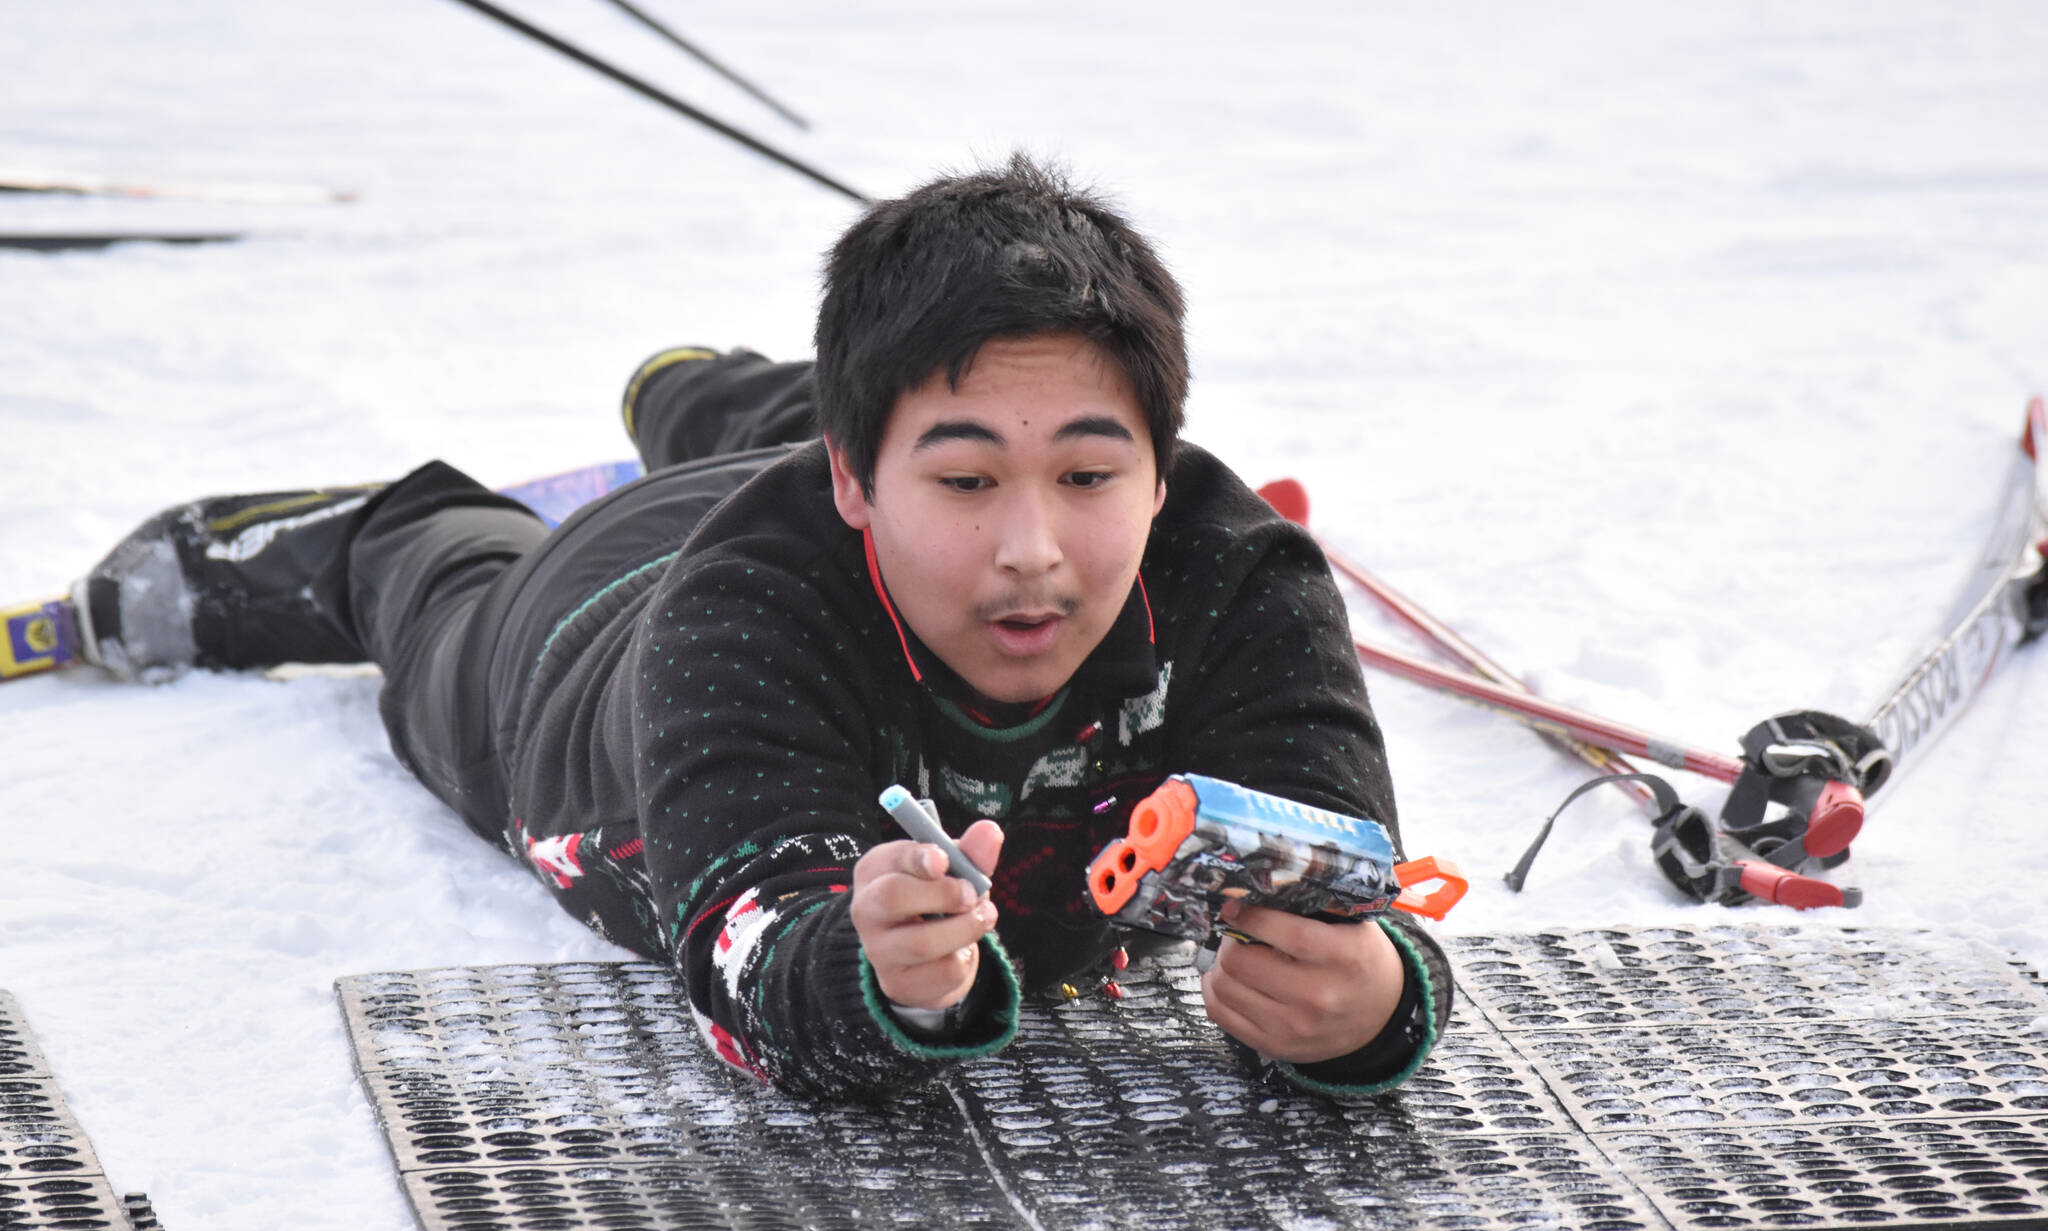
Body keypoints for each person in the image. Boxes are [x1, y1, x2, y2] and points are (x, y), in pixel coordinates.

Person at [71, 155, 1452, 1102]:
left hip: (827, 489)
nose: (1033, 549)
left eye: (1091, 476)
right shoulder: (734, 623)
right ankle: (367, 535)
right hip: (594, 620)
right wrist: (880, 983)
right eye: (968, 481)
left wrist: (1374, 999)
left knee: (911, 409)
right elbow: (752, 963)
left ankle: (726, 399)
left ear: (1162, 467)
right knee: (447, 599)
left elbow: (1362, 892)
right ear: (861, 483)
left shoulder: (1240, 579)